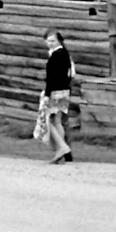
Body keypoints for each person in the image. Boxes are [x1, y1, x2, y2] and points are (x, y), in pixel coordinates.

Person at [41, 29, 74, 164]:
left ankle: (63, 148)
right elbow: (70, 74)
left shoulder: (56, 55)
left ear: (59, 40)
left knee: (47, 120)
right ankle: (60, 151)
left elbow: (52, 78)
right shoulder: (65, 54)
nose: (50, 44)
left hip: (55, 91)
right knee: (57, 121)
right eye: (48, 41)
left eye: (53, 41)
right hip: (64, 90)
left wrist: (47, 94)